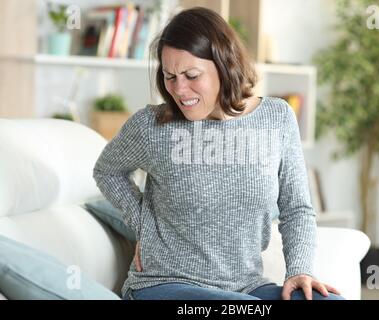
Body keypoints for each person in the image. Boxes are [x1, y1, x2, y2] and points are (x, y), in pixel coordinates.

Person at [93, 7, 343, 301]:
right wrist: (144, 225)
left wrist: (300, 269)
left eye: (191, 75)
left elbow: (296, 208)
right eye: (169, 76)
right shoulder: (151, 125)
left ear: (224, 66)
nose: (179, 90)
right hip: (164, 284)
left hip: (246, 287)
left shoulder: (277, 118)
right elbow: (107, 171)